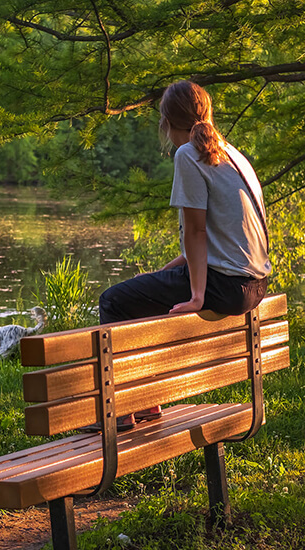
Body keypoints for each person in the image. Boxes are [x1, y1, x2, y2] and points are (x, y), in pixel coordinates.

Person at [86, 80, 271, 433]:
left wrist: (196, 295)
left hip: (224, 285)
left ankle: (123, 409)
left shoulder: (189, 153)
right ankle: (147, 399)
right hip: (254, 284)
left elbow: (198, 232)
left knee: (113, 301)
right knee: (144, 291)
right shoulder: (231, 153)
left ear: (168, 123)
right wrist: (169, 270)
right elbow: (222, 236)